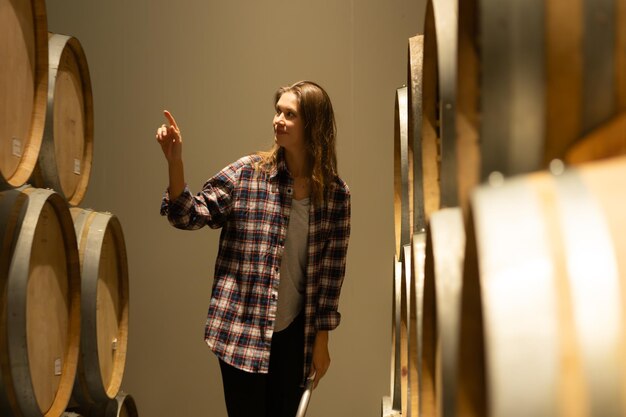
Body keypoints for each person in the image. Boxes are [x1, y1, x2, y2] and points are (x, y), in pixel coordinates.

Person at [155, 81, 351, 417]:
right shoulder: (248, 174)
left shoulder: (335, 195)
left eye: (290, 114)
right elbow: (187, 214)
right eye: (278, 111)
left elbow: (331, 278)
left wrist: (322, 341)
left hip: (294, 337)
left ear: (313, 125)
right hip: (241, 332)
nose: (278, 120)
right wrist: (176, 162)